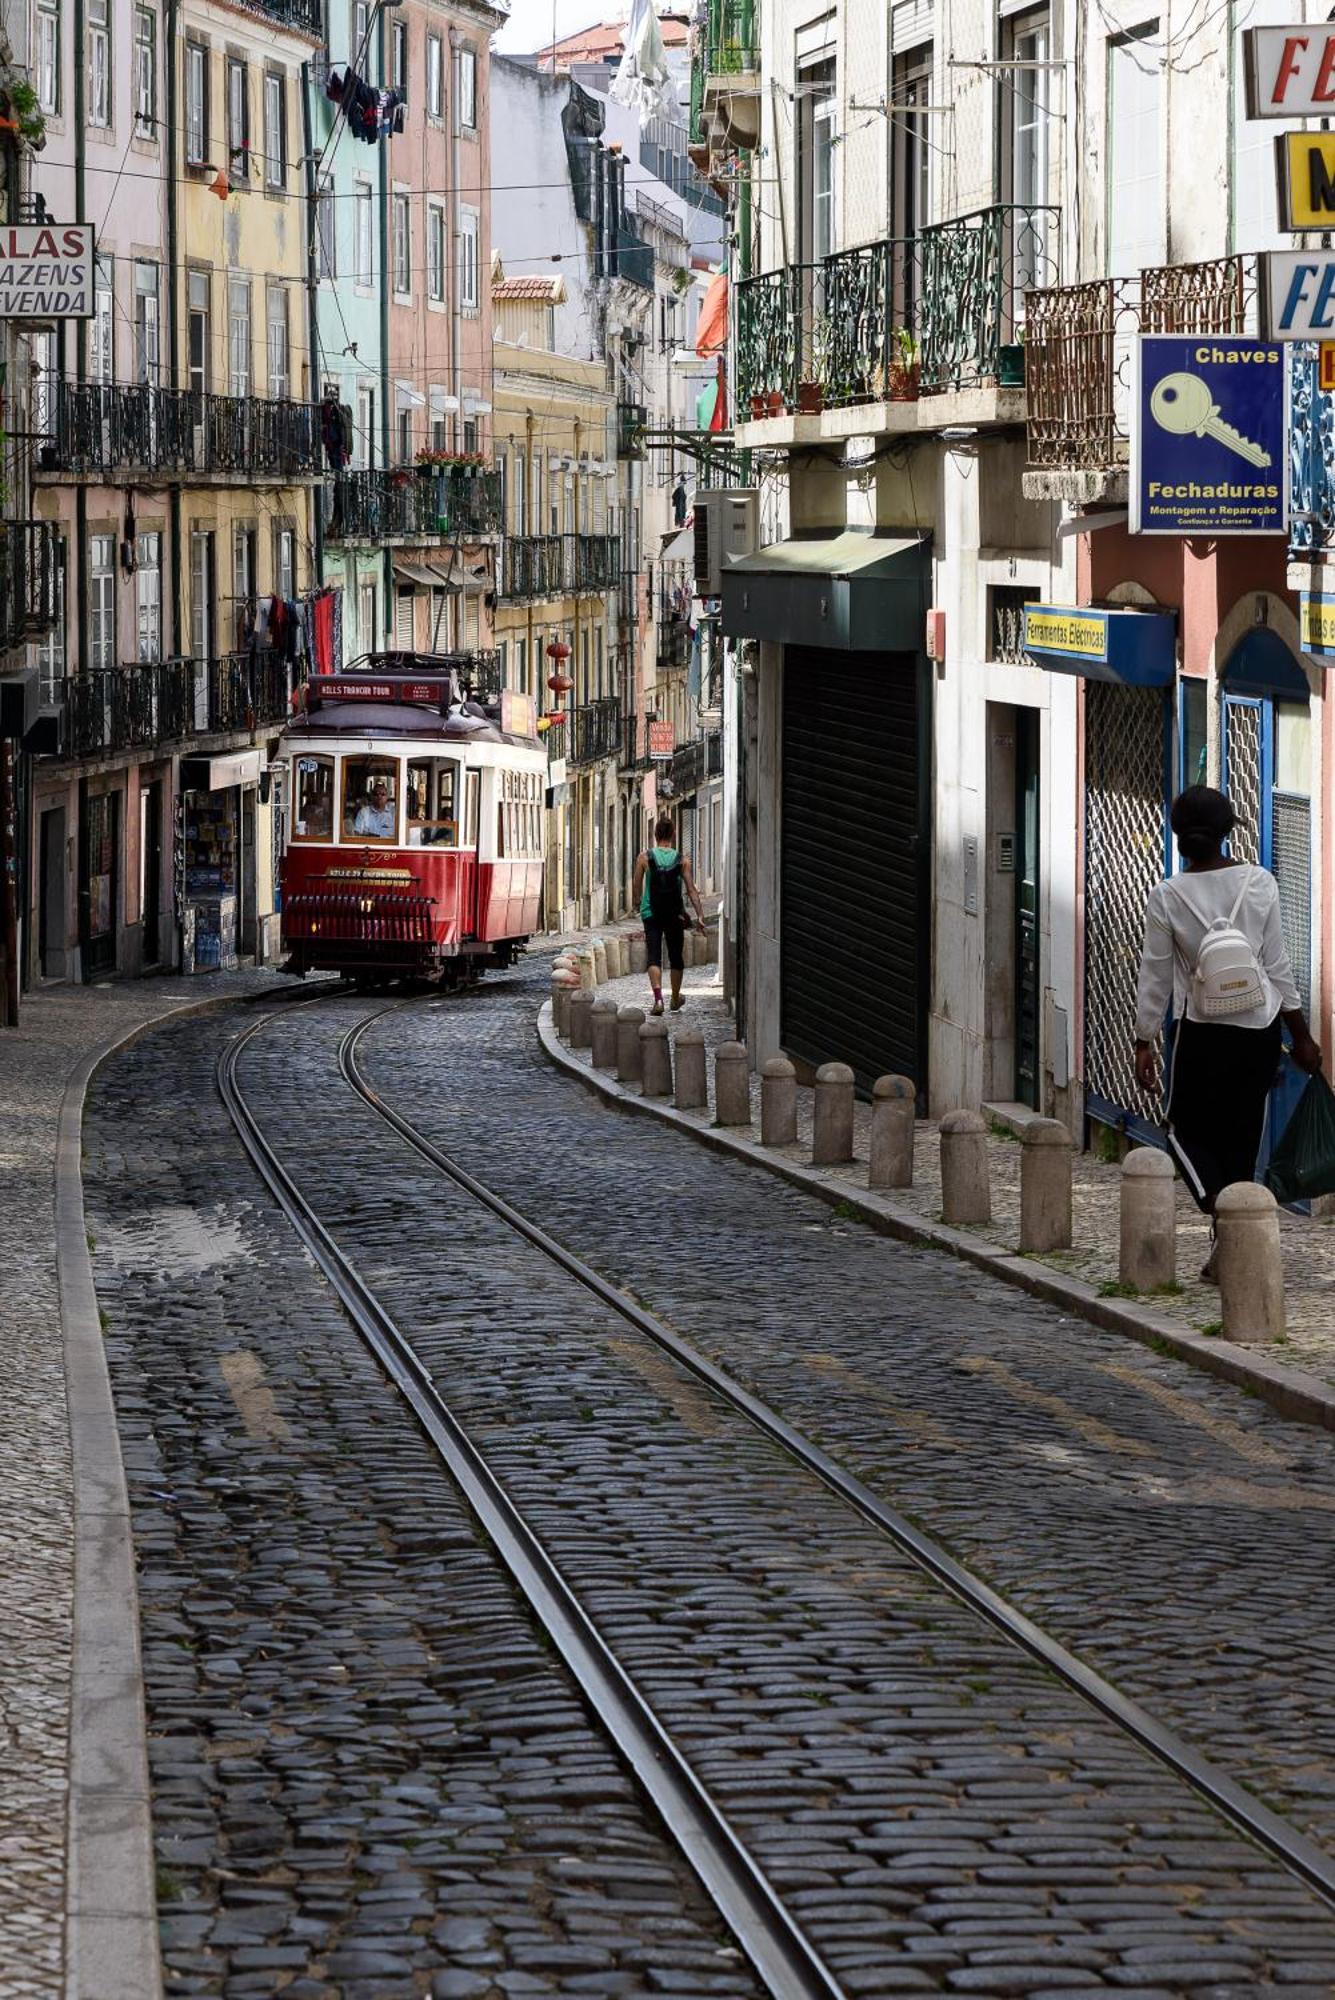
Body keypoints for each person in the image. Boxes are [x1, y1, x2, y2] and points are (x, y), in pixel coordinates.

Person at [1134, 785, 1322, 1275]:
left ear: (1178, 836)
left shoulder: (1168, 896)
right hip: (1258, 1030)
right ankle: (1232, 1251)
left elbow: (1155, 974)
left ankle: (1218, 1206)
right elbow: (1278, 966)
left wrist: (1143, 1039)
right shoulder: (1259, 882)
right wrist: (1300, 1035)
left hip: (1201, 1032)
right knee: (1241, 1140)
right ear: (1226, 833)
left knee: (1183, 1131)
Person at [633, 813, 705, 1016]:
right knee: (676, 957)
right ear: (673, 834)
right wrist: (699, 915)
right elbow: (691, 889)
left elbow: (636, 884)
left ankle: (658, 1001)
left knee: (654, 956)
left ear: (655, 835)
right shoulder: (682, 860)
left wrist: (638, 903)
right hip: (675, 914)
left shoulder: (644, 857)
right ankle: (674, 997)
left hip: (651, 913)